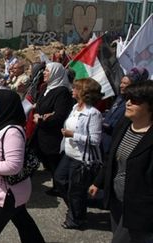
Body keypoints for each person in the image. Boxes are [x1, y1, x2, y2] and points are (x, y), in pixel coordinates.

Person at [0, 89, 45, 243]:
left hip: (6, 194)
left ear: (3, 105)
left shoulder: (12, 132)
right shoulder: (0, 125)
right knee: (25, 225)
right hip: (7, 191)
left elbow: (14, 166)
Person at [89, 82, 153, 243]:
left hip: (139, 207)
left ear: (150, 106)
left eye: (135, 100)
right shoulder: (125, 125)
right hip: (117, 201)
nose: (128, 103)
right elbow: (111, 157)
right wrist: (98, 182)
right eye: (127, 98)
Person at [54, 78, 104, 229]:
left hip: (82, 159)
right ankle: (76, 208)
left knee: (76, 190)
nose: (72, 90)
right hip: (69, 153)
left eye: (75, 88)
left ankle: (77, 218)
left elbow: (95, 140)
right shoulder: (75, 107)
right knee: (60, 180)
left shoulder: (93, 114)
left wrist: (72, 135)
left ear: (83, 92)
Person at [31, 62, 72, 197]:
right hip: (42, 133)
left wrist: (43, 119)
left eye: (47, 70)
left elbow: (60, 115)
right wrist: (39, 114)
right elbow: (40, 106)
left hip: (53, 136)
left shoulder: (62, 92)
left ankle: (61, 188)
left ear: (55, 73)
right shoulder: (47, 88)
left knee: (55, 163)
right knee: (47, 161)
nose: (44, 73)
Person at [102, 67, 150, 157]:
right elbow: (111, 114)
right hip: (103, 142)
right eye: (121, 82)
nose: (121, 85)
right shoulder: (120, 98)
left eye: (125, 83)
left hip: (113, 145)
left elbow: (121, 124)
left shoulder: (135, 104)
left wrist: (104, 124)